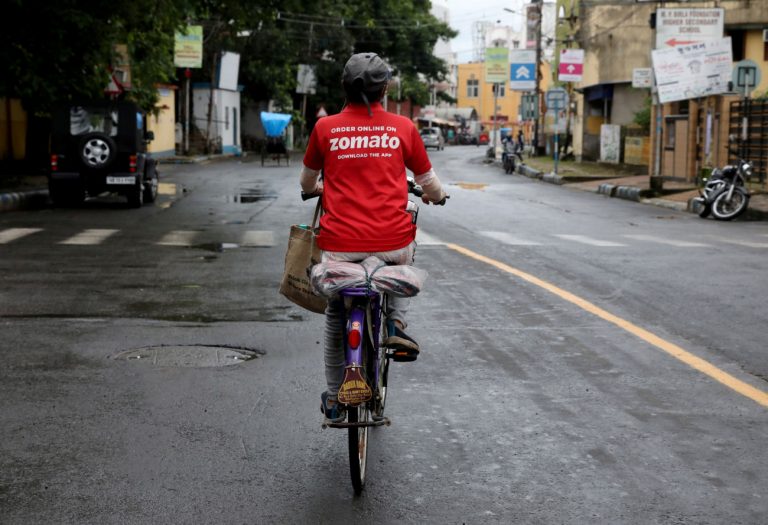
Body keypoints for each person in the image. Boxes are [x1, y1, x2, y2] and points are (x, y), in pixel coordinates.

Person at [299, 52, 447, 422]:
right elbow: (429, 183)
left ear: (344, 87)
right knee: (404, 253)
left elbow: (306, 180)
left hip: (339, 247)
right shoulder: (403, 127)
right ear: (386, 88)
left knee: (336, 311)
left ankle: (335, 397)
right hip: (390, 243)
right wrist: (437, 196)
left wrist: (317, 186)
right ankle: (396, 323)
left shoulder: (325, 128)